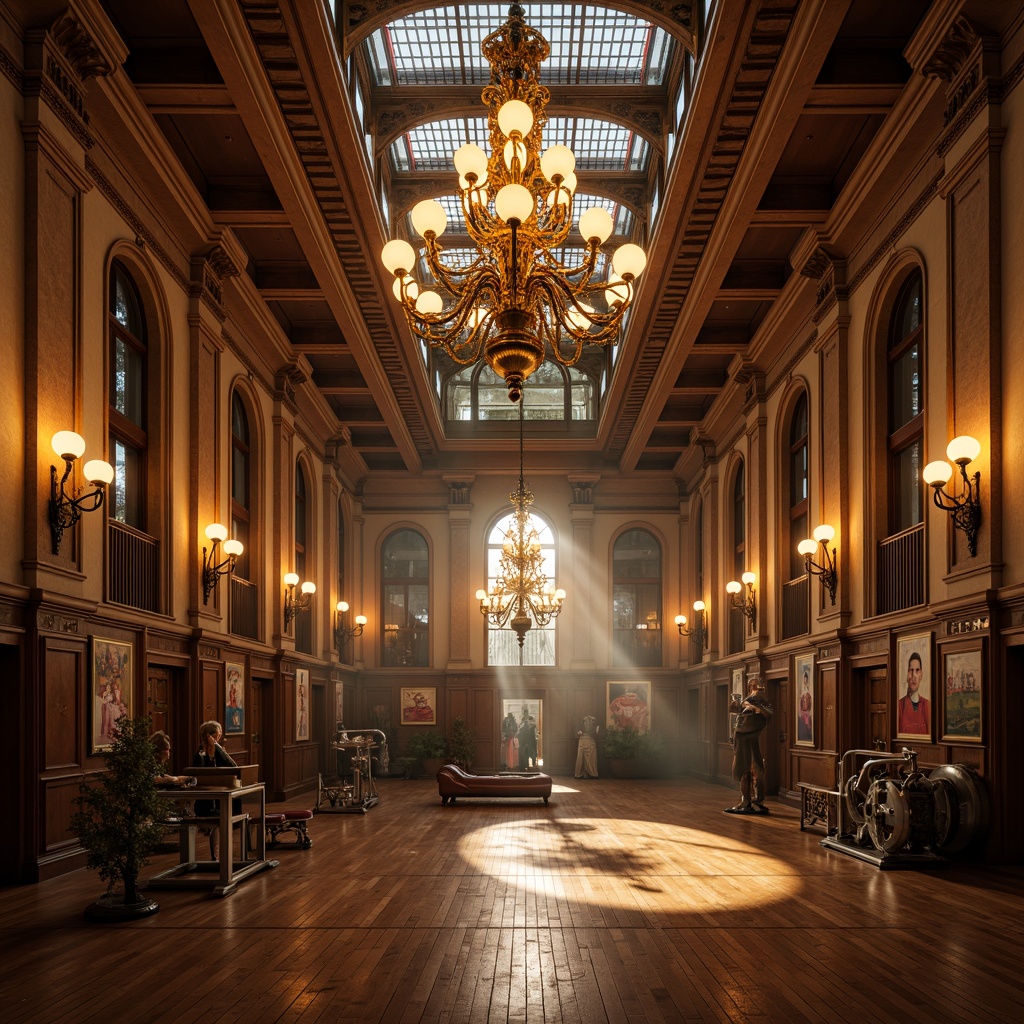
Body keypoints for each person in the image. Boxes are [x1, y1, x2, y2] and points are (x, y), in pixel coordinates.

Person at [726, 678, 773, 815]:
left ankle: (758, 800)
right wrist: (739, 704)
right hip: (741, 739)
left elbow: (767, 713)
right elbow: (735, 712)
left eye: (755, 687)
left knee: (756, 770)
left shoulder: (761, 701)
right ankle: (745, 800)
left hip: (751, 739)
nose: (753, 690)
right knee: (743, 771)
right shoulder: (747, 700)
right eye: (751, 686)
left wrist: (756, 709)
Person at [897, 651, 930, 735]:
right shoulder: (899, 706)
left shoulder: (927, 705)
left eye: (917, 670)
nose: (914, 676)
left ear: (921, 675)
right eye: (911, 670)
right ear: (907, 675)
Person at [574, 714, 599, 779]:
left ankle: (579, 774)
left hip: (583, 741)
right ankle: (592, 773)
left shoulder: (581, 725)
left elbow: (577, 734)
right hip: (589, 741)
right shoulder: (593, 726)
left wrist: (580, 733)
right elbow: (595, 734)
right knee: (590, 759)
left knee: (581, 758)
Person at [797, 669, 812, 742]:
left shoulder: (808, 689)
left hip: (807, 709)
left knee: (808, 722)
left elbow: (809, 698)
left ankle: (809, 733)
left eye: (806, 679)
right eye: (804, 679)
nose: (805, 681)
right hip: (803, 709)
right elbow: (801, 700)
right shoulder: (802, 689)